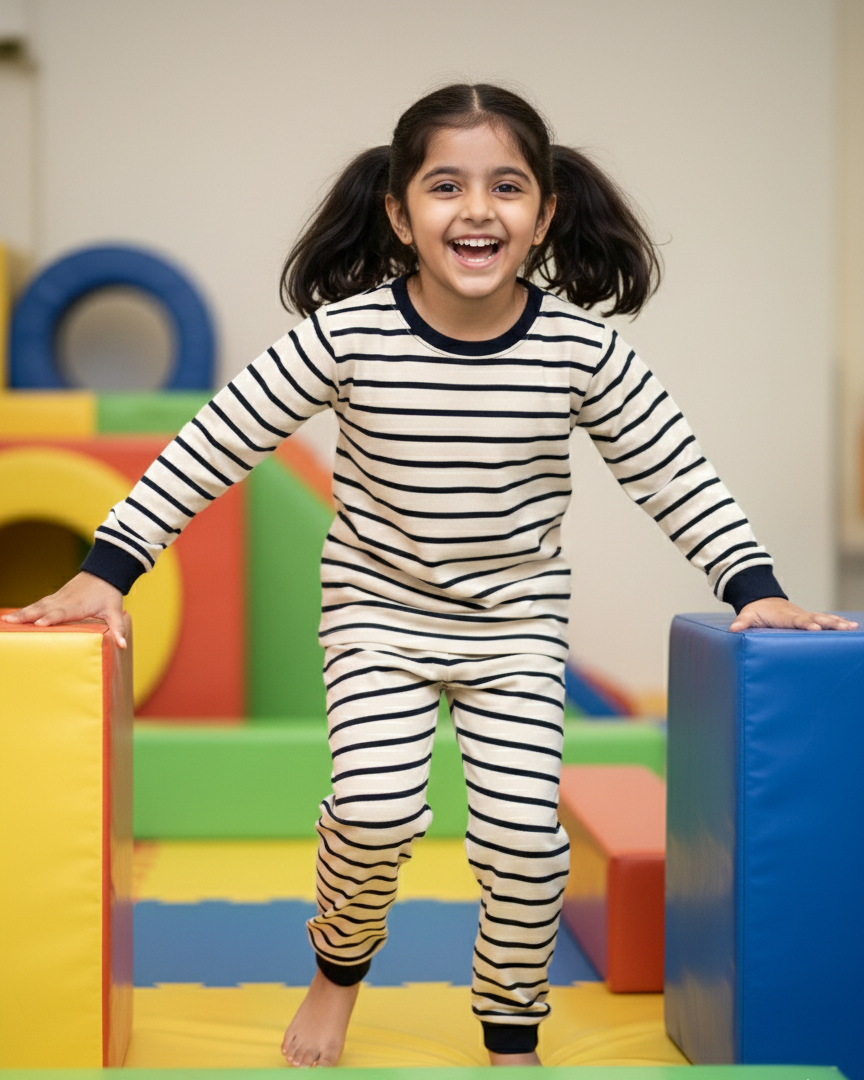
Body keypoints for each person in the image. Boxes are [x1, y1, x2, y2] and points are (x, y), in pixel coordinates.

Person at [3, 83, 856, 1067]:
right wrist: (108, 570)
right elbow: (215, 444)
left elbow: (673, 470)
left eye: (507, 186)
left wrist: (754, 588)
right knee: (373, 814)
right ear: (401, 215)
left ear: (545, 213)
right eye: (445, 187)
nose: (478, 209)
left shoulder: (581, 351)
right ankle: (338, 969)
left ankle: (508, 1026)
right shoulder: (349, 336)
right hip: (376, 615)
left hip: (516, 629)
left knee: (529, 847)